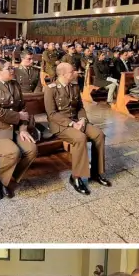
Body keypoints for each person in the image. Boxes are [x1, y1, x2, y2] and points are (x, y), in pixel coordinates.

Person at [45, 62, 110, 196]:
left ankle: (96, 173)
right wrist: (71, 124)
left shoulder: (74, 85)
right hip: (60, 125)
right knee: (80, 138)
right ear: (63, 74)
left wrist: (82, 120)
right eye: (72, 71)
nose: (75, 73)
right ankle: (76, 176)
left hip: (77, 121)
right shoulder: (50, 89)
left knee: (99, 134)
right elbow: (51, 114)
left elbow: (80, 107)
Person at [0, 58, 38, 201]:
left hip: (13, 128)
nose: (13, 70)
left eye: (13, 68)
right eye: (9, 68)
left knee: (32, 150)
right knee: (13, 152)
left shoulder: (15, 84)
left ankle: (2, 179)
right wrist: (18, 116)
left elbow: (23, 108)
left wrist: (23, 129)